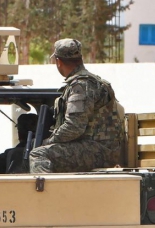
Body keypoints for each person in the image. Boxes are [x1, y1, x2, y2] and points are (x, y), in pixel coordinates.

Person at [29, 39, 123, 173]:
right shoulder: (88, 82)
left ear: (58, 61)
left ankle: (46, 194)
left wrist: (48, 141)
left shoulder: (81, 85)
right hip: (99, 148)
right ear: (80, 58)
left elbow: (74, 127)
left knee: (39, 154)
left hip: (97, 150)